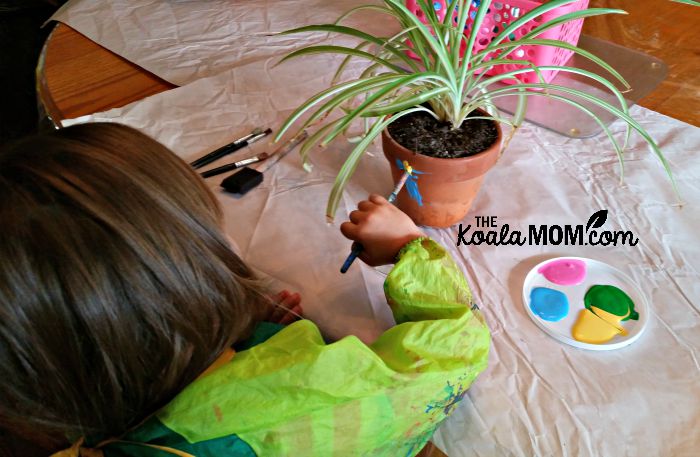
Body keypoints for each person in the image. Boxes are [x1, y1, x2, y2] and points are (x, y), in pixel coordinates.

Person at [0, 123, 490, 457]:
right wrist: (408, 249)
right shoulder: (304, 390)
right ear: (191, 285)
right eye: (208, 227)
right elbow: (450, 354)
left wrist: (248, 334)